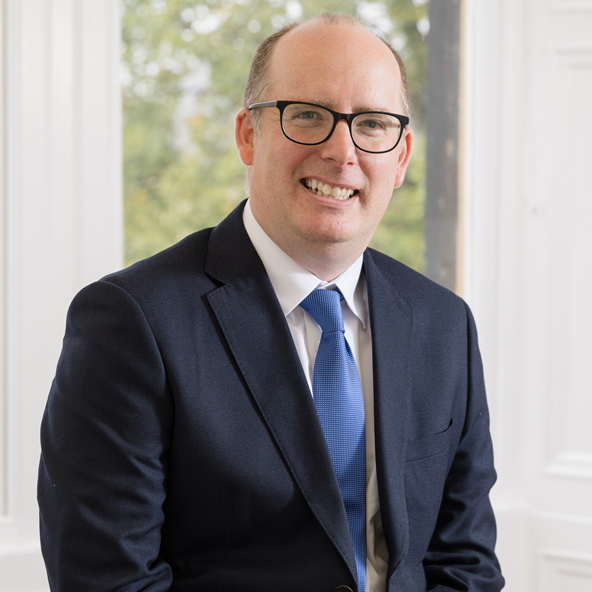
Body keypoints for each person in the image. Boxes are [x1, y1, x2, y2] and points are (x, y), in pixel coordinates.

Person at [38, 13, 504, 592]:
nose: (342, 151)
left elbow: (465, 561)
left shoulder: (444, 323)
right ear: (247, 135)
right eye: (308, 115)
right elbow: (107, 581)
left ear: (402, 156)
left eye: (372, 124)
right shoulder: (131, 322)